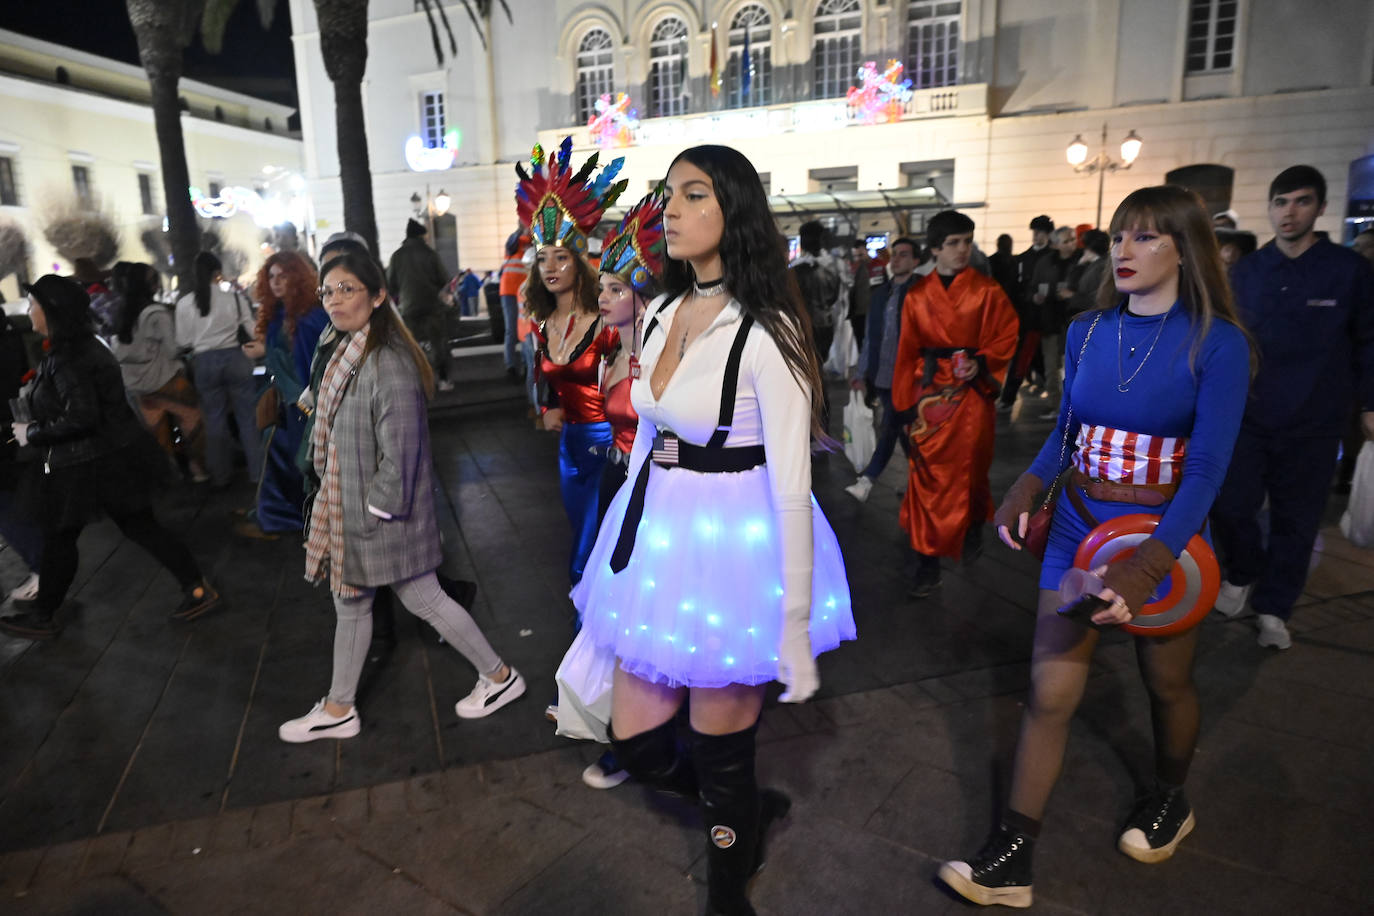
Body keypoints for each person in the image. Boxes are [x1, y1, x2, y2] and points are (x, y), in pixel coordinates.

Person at [938, 186, 1252, 907]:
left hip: (1162, 537)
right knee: (1050, 689)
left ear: (1185, 248)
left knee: (1166, 681)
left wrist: (1151, 563)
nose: (1125, 249)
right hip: (1078, 527)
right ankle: (1012, 856)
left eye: (1145, 237)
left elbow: (1205, 471)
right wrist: (1028, 486)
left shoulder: (1219, 342)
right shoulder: (1086, 330)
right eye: (1119, 236)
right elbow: (1066, 431)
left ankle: (1171, 797)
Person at [570, 144, 856, 916]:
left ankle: (730, 891)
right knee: (637, 742)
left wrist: (793, 624)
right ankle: (746, 815)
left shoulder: (770, 331)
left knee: (723, 750)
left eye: (693, 195)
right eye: (668, 195)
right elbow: (648, 437)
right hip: (662, 532)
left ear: (735, 212)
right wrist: (616, 550)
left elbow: (795, 488)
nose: (670, 208)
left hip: (738, 540)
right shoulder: (660, 310)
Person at [278, 253, 525, 742]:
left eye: (347, 288)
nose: (335, 300)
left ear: (378, 296)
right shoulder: (339, 347)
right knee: (353, 603)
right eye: (328, 291)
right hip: (346, 504)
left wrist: (374, 510)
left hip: (379, 514)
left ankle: (499, 677)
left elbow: (403, 453)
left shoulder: (386, 362)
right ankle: (339, 706)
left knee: (424, 598)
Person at [1, 276, 221, 641]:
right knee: (132, 527)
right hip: (110, 458)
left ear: (52, 311)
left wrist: (32, 432)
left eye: (33, 304)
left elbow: (82, 416)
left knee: (67, 535)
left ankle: (44, 615)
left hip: (90, 464)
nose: (29, 311)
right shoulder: (80, 347)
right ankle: (196, 588)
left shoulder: (69, 356)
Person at [1210, 165, 1374, 649]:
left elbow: (1368, 341)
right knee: (1230, 505)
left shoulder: (1349, 272)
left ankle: (1275, 606)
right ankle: (1242, 572)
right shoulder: (1247, 272)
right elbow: (1224, 342)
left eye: (1301, 201)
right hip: (1248, 418)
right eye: (1280, 202)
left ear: (1321, 208)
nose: (1289, 212)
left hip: (1315, 423)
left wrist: (1369, 404)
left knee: (1296, 520)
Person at [567, 187, 669, 792]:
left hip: (657, 495)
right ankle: (619, 730)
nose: (602, 297)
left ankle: (644, 739)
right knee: (610, 614)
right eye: (601, 287)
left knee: (645, 619)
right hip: (620, 485)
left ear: (641, 294)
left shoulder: (659, 356)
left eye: (614, 289)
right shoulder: (613, 352)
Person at [516, 137, 626, 586]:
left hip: (607, 445)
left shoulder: (607, 319)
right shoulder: (541, 322)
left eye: (561, 257)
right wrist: (546, 407)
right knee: (581, 531)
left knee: (590, 550)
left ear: (581, 261)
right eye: (543, 258)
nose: (551, 267)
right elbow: (541, 376)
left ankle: (590, 629)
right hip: (569, 450)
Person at [892, 210, 1019, 597]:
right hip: (929, 395)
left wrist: (980, 364)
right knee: (926, 478)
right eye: (953, 243)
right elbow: (907, 351)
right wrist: (902, 404)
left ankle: (973, 525)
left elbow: (1006, 335)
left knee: (972, 469)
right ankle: (926, 561)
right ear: (934, 248)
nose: (963, 249)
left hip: (972, 395)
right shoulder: (916, 295)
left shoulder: (987, 291)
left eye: (967, 241)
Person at [237, 251, 330, 538]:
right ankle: (274, 512)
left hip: (303, 404)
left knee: (297, 462)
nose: (276, 282)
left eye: (283, 275)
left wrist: (268, 353)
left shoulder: (309, 316)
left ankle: (285, 517)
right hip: (291, 402)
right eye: (271, 276)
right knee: (281, 456)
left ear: (297, 277)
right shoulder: (284, 312)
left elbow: (308, 365)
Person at [111, 262, 208, 482]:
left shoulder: (123, 313)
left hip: (138, 385)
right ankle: (198, 470)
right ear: (149, 284)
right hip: (167, 381)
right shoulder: (156, 313)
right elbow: (173, 349)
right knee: (193, 421)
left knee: (158, 435)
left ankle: (169, 477)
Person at [175, 251, 262, 489]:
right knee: (248, 419)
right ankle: (257, 474)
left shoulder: (184, 303)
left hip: (204, 362)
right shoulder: (233, 298)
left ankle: (221, 476)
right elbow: (253, 329)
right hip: (236, 358)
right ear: (218, 273)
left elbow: (182, 340)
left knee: (214, 420)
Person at [845, 236, 920, 502]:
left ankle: (868, 479)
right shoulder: (881, 294)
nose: (897, 259)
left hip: (910, 377)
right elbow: (869, 338)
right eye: (895, 254)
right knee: (901, 430)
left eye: (904, 254)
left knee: (891, 427)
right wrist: (862, 372)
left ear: (915, 260)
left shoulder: (920, 292)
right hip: (883, 376)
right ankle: (920, 482)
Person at [386, 219, 453, 391]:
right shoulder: (430, 254)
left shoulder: (397, 256)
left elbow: (390, 285)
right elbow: (443, 279)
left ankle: (416, 382)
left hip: (408, 307)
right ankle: (443, 379)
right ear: (421, 236)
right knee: (439, 342)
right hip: (432, 306)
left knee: (410, 345)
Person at [1028, 226, 1081, 415]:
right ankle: (1056, 406)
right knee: (1051, 367)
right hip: (1050, 320)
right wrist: (1035, 296)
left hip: (1074, 321)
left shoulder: (1081, 260)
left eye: (1073, 239)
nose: (1071, 244)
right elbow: (1034, 286)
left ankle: (1075, 409)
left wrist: (1073, 295)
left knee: (1073, 367)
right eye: (1066, 241)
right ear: (1056, 244)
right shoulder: (1046, 262)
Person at [499, 230, 531, 383]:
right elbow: (511, 242)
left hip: (524, 291)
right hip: (510, 291)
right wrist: (522, 231)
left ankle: (526, 365)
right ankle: (511, 366)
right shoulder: (515, 241)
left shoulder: (533, 243)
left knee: (524, 329)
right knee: (512, 329)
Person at [1066, 229, 1110, 317]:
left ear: (1088, 248)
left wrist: (1072, 296)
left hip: (1091, 316)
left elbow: (1097, 300)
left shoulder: (1100, 268)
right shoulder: (1098, 264)